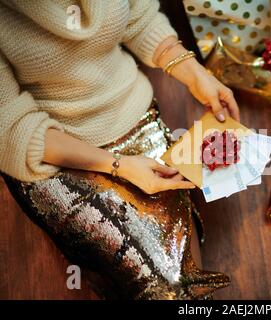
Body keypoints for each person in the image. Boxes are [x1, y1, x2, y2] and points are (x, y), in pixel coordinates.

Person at [0, 0, 239, 299]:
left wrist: (194, 73)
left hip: (131, 114)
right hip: (54, 153)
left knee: (180, 275)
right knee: (165, 288)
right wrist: (119, 165)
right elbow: (12, 128)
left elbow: (139, 19)